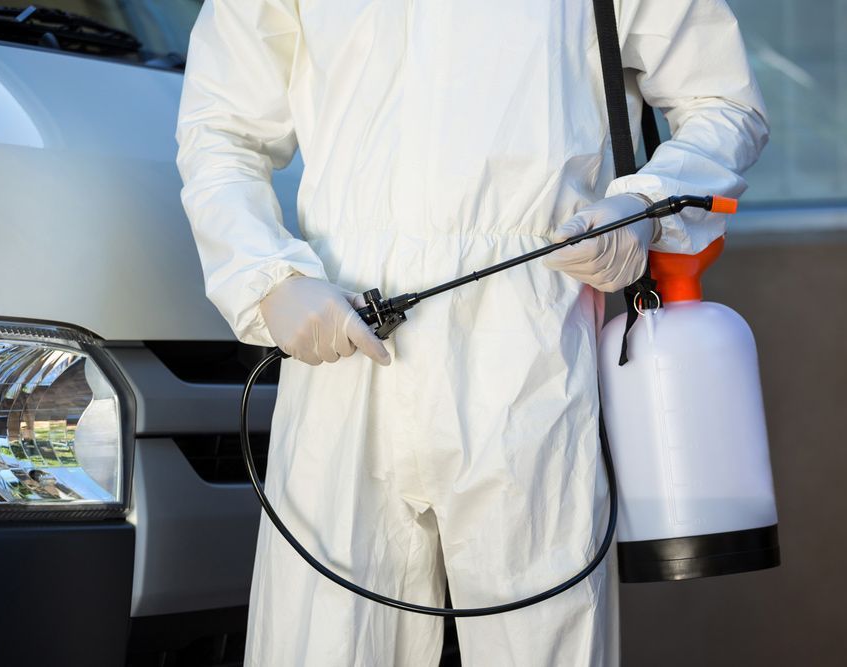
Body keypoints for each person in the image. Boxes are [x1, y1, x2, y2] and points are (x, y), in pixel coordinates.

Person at [175, 0, 768, 664]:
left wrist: (645, 204)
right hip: (344, 343)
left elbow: (724, 102)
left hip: (528, 349)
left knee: (540, 644)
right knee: (324, 644)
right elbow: (221, 128)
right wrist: (268, 278)